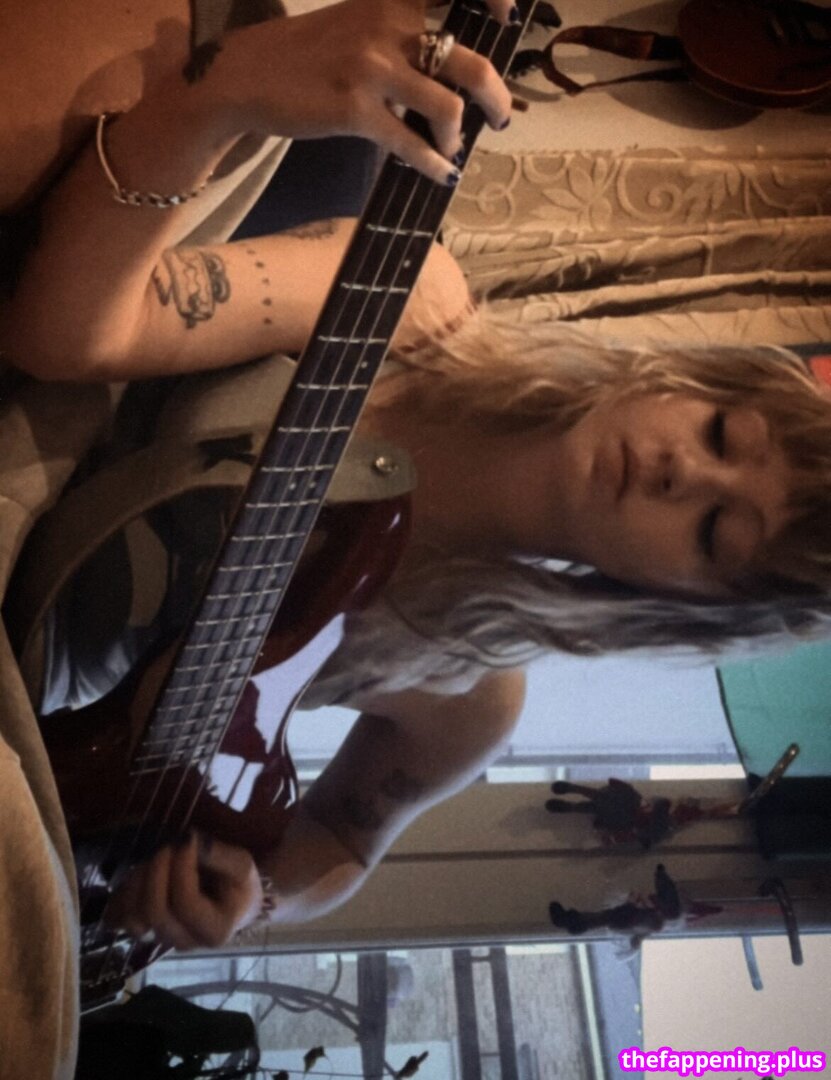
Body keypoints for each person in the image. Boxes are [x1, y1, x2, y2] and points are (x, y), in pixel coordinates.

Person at [2, 0, 831, 1015]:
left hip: (34, 718)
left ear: (679, 600)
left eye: (711, 532)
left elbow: (345, 843)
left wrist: (259, 898)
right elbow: (68, 335)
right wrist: (220, 93)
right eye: (719, 435)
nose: (678, 473)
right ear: (689, 383)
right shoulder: (412, 308)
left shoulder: (468, 690)